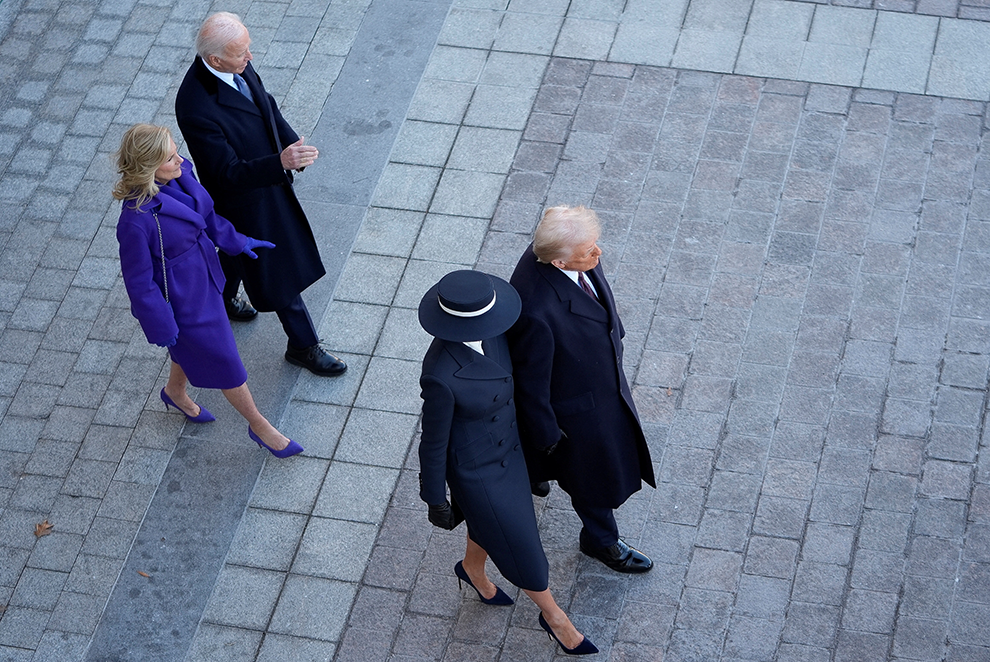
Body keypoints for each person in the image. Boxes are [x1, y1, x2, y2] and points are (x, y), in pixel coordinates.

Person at [418, 270, 597, 656]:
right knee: (523, 546)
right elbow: (432, 443)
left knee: (494, 529)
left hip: (511, 456)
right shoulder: (439, 375)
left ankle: (472, 570)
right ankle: (554, 617)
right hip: (477, 473)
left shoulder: (495, 330)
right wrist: (435, 498)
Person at [113, 123, 302, 459]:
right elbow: (139, 284)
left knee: (196, 349)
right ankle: (258, 425)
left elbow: (206, 216)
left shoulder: (177, 173)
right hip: (184, 303)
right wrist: (162, 326)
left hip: (207, 279)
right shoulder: (134, 221)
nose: (180, 160)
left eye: (175, 151)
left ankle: (175, 391)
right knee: (225, 359)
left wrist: (237, 241)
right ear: (147, 168)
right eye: (169, 158)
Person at [174, 11, 346, 377]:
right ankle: (303, 345)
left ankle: (219, 302)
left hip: (268, 182)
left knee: (237, 252)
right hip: (245, 199)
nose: (250, 58)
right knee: (275, 266)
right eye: (241, 53)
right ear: (215, 59)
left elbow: (265, 105)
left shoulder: (234, 65)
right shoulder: (195, 106)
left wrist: (290, 145)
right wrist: (278, 162)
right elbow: (226, 173)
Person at [507, 205, 656, 574]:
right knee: (591, 477)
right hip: (577, 410)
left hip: (597, 384)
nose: (598, 254)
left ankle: (534, 474)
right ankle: (601, 541)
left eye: (594, 245)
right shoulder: (536, 311)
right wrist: (546, 435)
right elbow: (531, 382)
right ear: (558, 264)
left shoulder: (573, 251)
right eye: (589, 252)